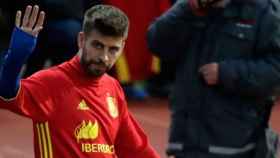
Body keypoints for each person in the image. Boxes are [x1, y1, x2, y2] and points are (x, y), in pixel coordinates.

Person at [0, 5, 160, 158]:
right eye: (98, 45)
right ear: (81, 40)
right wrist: (16, 57)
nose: (104, 57)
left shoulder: (112, 87)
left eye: (113, 49)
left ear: (122, 47)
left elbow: (135, 148)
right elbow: (6, 93)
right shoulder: (51, 83)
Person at [147, 0, 280, 158]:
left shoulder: (263, 8)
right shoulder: (189, 5)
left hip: (238, 146)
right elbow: (156, 42)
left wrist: (225, 73)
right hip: (186, 142)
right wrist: (186, 9)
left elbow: (275, 69)